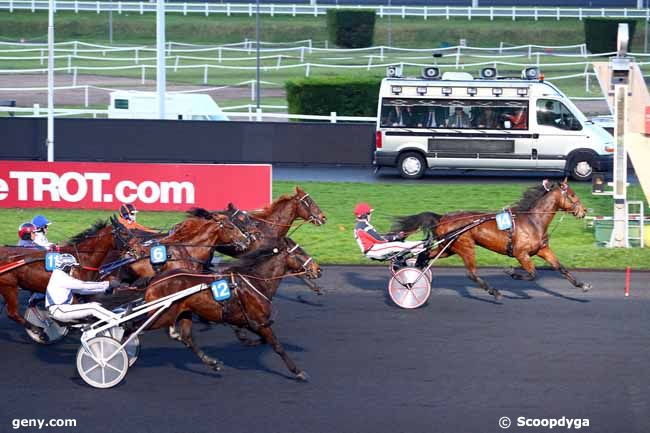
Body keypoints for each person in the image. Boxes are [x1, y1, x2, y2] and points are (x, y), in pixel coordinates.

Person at [46, 253, 122, 323]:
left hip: (62, 309)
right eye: (72, 266)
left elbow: (82, 291)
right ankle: (119, 322)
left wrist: (105, 289)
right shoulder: (60, 277)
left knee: (96, 305)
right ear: (66, 267)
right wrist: (107, 284)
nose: (73, 269)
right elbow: (84, 285)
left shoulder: (60, 275)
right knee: (93, 308)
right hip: (60, 310)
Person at [353, 203, 427, 261]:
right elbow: (379, 240)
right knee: (396, 245)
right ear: (364, 215)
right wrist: (395, 237)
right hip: (372, 250)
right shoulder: (363, 226)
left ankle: (421, 244)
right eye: (369, 213)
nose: (370, 215)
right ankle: (421, 246)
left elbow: (377, 237)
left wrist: (394, 236)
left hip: (375, 247)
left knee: (399, 243)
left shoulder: (362, 225)